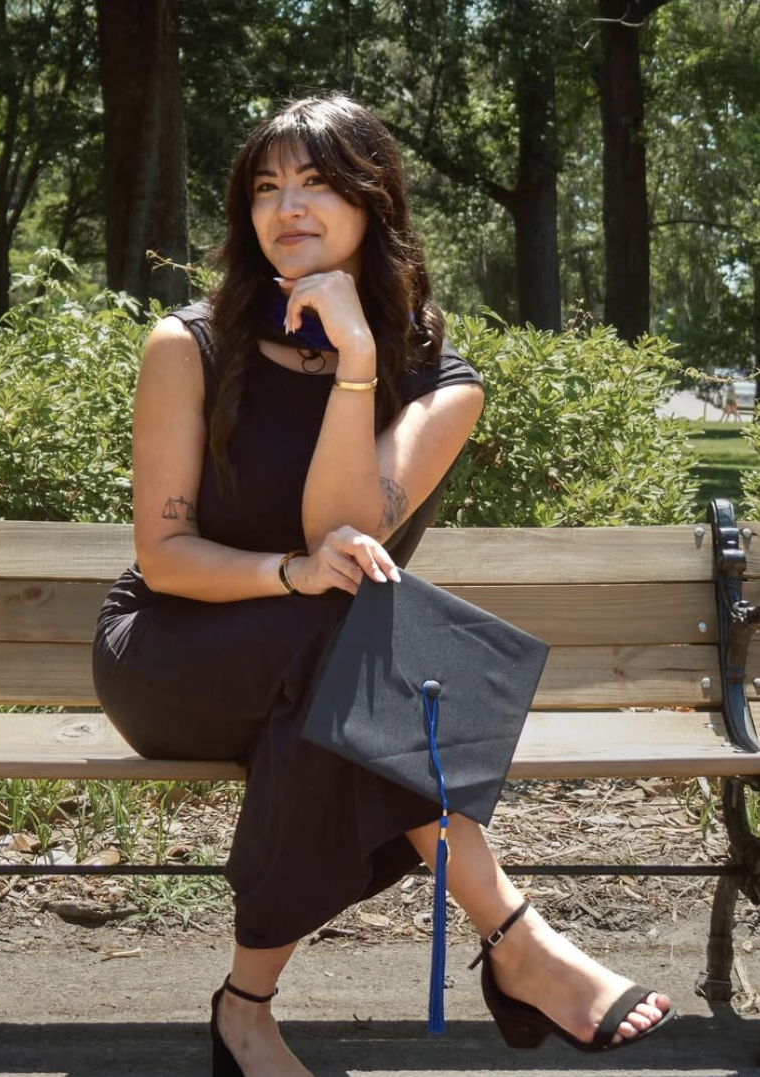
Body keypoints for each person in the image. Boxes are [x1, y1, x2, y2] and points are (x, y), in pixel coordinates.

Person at [92, 95, 673, 1077]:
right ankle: (518, 941)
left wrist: (356, 359)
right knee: (349, 641)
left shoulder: (441, 378)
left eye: (316, 182)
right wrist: (287, 572)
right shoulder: (184, 347)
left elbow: (342, 531)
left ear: (373, 201)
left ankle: (246, 1012)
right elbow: (167, 557)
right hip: (170, 653)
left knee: (333, 687)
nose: (289, 207)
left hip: (320, 672)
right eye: (267, 187)